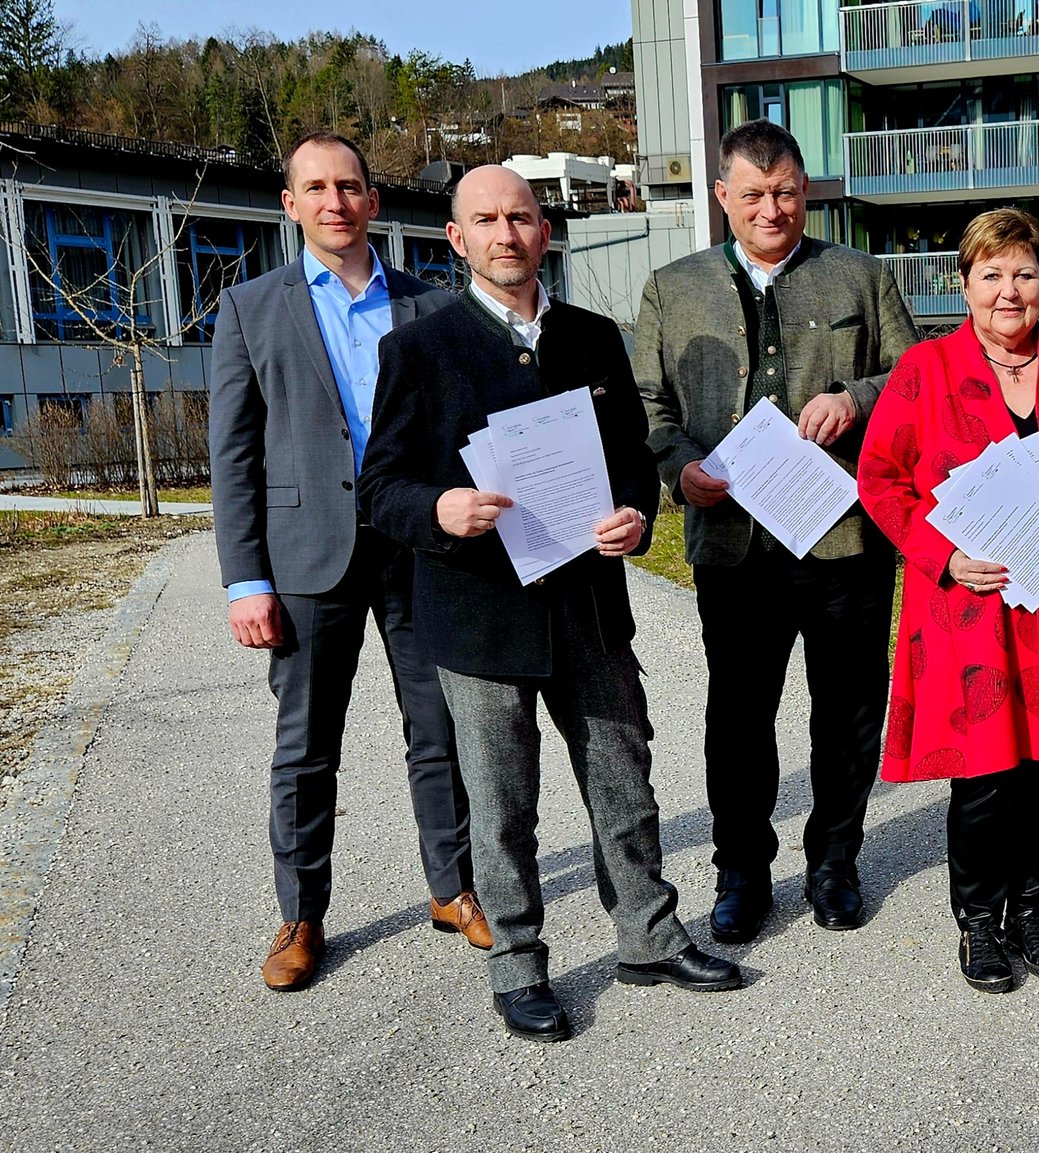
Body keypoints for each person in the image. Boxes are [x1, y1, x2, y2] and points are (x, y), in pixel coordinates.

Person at [360, 166, 740, 1043]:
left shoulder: (593, 337)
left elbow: (632, 460)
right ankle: (519, 965)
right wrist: (439, 510)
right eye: (486, 220)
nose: (506, 233)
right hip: (479, 611)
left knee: (623, 777)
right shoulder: (417, 349)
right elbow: (379, 486)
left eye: (521, 217)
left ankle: (647, 935)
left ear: (544, 230)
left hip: (588, 606)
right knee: (502, 805)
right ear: (456, 240)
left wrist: (638, 516)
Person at [209, 131, 484, 993]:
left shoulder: (434, 306)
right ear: (290, 204)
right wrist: (245, 578)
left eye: (352, 186)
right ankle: (300, 915)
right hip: (306, 555)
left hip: (418, 548)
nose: (336, 201)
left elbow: (462, 435)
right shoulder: (251, 308)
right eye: (316, 187)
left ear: (373, 201)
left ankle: (452, 887)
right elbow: (234, 455)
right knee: (305, 746)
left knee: (439, 729)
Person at [857, 208, 1039, 994]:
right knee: (987, 777)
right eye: (991, 274)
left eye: (1023, 272)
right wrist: (942, 555)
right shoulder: (923, 370)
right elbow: (879, 481)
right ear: (964, 284)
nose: (1008, 290)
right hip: (973, 609)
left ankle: (1032, 910)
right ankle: (978, 924)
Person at [635, 120, 918, 943]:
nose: (772, 208)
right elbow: (649, 407)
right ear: (722, 196)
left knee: (849, 711)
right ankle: (742, 870)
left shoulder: (860, 276)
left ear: (807, 192)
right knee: (739, 717)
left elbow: (912, 374)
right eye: (754, 194)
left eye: (787, 192)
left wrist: (856, 399)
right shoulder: (671, 286)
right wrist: (678, 470)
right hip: (733, 546)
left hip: (844, 541)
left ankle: (834, 859)